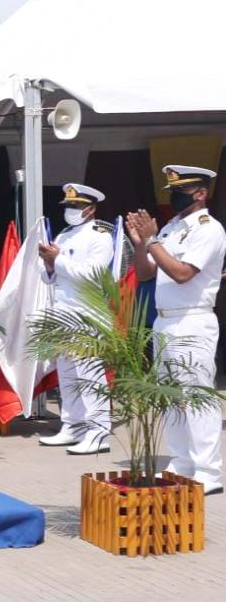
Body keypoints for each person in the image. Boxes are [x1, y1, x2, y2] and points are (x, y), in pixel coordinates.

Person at [126, 165, 226, 495]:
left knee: (197, 396)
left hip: (193, 320)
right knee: (171, 396)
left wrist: (153, 240)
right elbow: (144, 274)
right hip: (165, 320)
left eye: (182, 188)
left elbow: (183, 273)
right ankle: (182, 462)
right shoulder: (170, 227)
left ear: (200, 193)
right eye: (172, 188)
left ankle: (209, 470)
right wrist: (141, 243)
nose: (175, 194)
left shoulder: (208, 229)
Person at [36, 183, 115, 454]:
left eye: (77, 206)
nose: (71, 211)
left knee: (90, 375)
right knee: (68, 374)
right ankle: (73, 425)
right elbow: (51, 276)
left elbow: (93, 274)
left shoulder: (101, 235)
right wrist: (49, 265)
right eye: (69, 206)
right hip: (64, 311)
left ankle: (99, 432)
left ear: (91, 209)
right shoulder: (64, 234)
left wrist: (57, 261)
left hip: (87, 314)